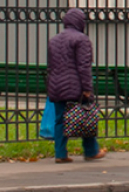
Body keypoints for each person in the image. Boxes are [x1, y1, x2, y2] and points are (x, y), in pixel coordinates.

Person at [45, 8, 106, 163]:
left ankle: (60, 154)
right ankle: (91, 150)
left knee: (59, 120)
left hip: (56, 85)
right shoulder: (81, 39)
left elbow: (51, 65)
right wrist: (87, 88)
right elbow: (84, 66)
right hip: (75, 86)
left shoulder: (54, 39)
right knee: (86, 116)